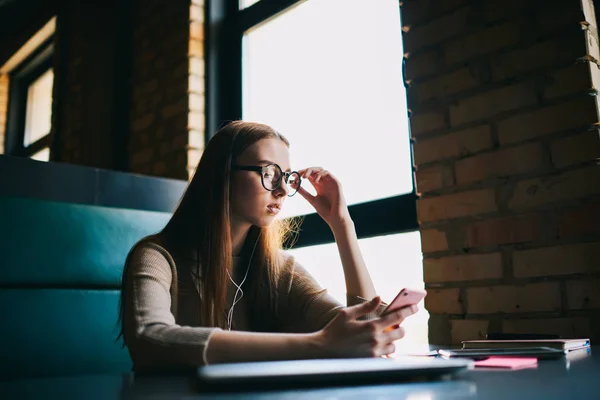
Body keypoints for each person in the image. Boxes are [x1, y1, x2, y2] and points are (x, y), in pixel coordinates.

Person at [117, 121, 418, 372]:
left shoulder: (279, 269)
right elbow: (149, 338)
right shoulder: (156, 256)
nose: (284, 189)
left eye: (286, 176)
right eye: (269, 173)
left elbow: (362, 330)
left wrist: (342, 226)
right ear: (222, 174)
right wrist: (318, 345)